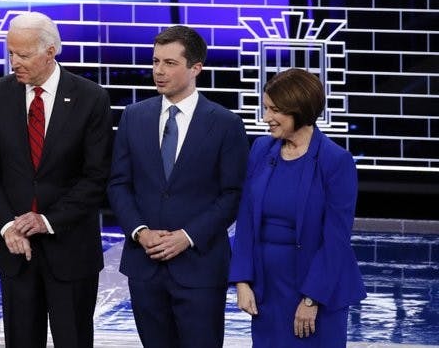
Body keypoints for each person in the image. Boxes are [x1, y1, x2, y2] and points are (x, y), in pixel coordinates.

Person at [0, 12, 112, 348]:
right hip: (16, 251)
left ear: (50, 52)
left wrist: (47, 220)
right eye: (10, 53)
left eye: (23, 55)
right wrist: (8, 226)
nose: (13, 62)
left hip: (71, 248)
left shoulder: (91, 98)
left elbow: (96, 177)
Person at [107, 24, 249, 348]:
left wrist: (187, 237)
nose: (159, 71)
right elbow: (118, 184)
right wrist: (140, 231)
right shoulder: (133, 116)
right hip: (145, 266)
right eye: (156, 62)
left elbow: (233, 194)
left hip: (199, 268)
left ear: (196, 68)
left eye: (169, 63)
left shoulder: (226, 124)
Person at [230, 68, 366, 346]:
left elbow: (336, 238)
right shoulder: (260, 149)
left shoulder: (335, 161)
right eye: (266, 108)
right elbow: (245, 217)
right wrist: (242, 280)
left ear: (300, 111)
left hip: (318, 289)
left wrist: (311, 298)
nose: (266, 118)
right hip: (266, 289)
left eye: (275, 110)